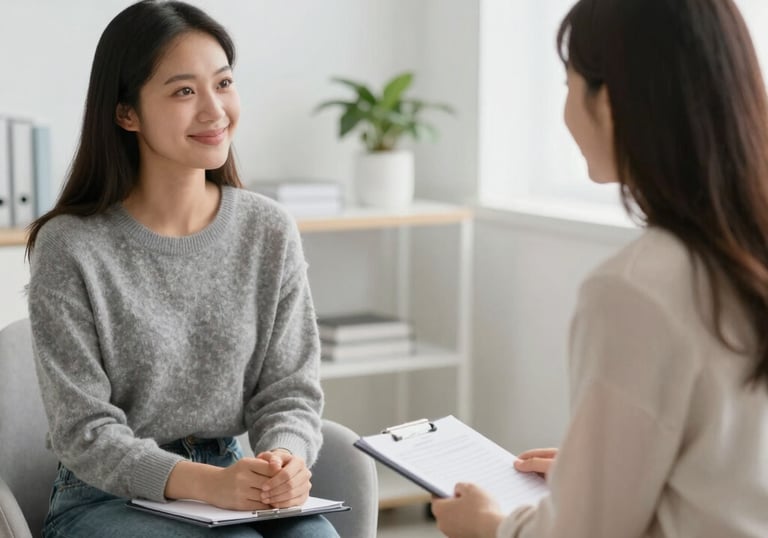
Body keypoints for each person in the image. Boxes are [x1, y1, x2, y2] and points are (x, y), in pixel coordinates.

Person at [431, 0, 768, 536]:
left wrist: (493, 526)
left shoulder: (638, 288)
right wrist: (594, 470)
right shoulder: (743, 252)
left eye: (568, 85)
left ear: (608, 103)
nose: (565, 108)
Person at [25, 2, 338, 537]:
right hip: (104, 498)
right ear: (127, 113)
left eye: (223, 83)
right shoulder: (70, 247)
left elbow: (290, 390)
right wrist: (206, 483)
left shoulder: (268, 230)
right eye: (184, 91)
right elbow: (85, 432)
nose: (215, 110)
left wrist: (285, 460)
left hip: (236, 478)